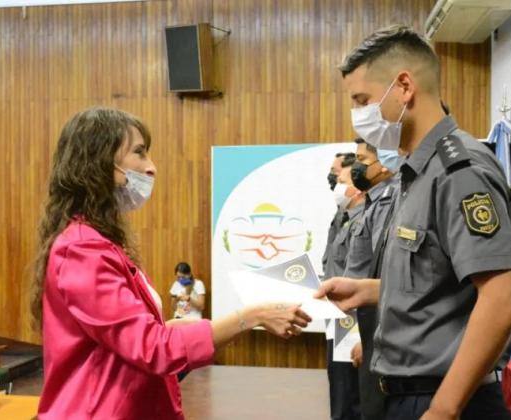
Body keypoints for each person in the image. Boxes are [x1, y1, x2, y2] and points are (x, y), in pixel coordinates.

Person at [31, 107, 311, 419]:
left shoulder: (99, 243)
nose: (151, 168)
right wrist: (252, 315)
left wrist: (212, 326)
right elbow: (154, 348)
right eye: (139, 153)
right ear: (99, 161)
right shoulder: (83, 248)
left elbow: (136, 336)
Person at [316, 25, 511, 420]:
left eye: (362, 100)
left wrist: (444, 408)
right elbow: (437, 279)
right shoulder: (417, 174)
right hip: (408, 396)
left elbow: (503, 298)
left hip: (445, 400)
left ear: (404, 87)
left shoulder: (458, 170)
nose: (359, 115)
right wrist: (369, 289)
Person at [344, 138, 401, 420]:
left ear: (386, 164)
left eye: (363, 161)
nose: (357, 168)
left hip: (392, 342)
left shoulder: (398, 199)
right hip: (373, 334)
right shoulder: (374, 204)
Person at [324, 152, 363, 420]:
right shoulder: (342, 215)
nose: (335, 182)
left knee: (350, 390)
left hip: (353, 317)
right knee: (339, 384)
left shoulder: (363, 218)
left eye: (340, 177)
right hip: (336, 314)